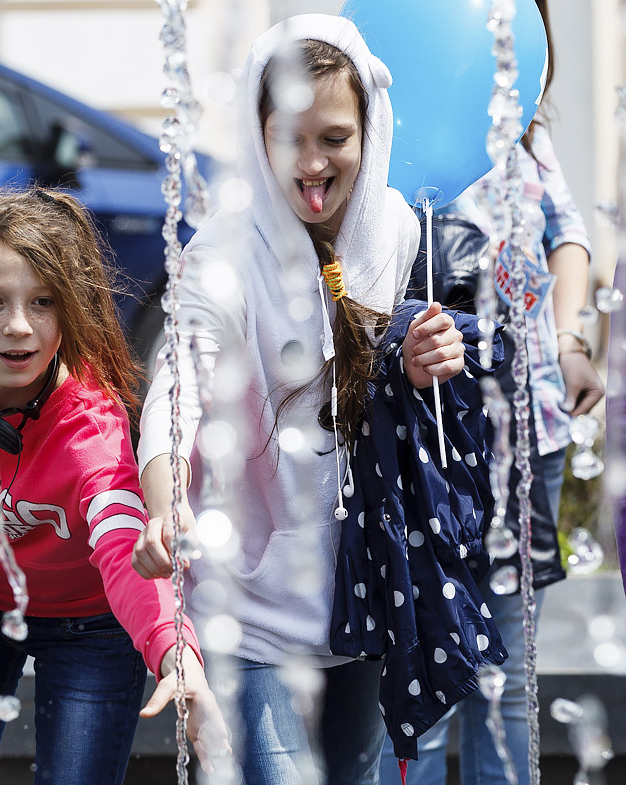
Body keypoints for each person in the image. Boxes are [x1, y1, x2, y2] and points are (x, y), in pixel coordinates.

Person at [131, 14, 466, 785]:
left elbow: (387, 383)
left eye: (335, 138)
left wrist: (423, 359)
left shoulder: (399, 233)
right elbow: (175, 384)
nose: (312, 163)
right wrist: (162, 501)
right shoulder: (221, 253)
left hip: (366, 593)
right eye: (290, 139)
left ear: (370, 130)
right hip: (254, 609)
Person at [0, 187, 229, 785]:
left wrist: (174, 653)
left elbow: (125, 543)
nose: (19, 327)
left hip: (94, 628)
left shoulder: (89, 429)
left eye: (45, 302)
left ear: (72, 309)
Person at [380, 2, 604, 784]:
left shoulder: (524, 132)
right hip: (428, 432)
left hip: (528, 424)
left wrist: (572, 341)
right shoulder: (385, 120)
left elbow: (567, 236)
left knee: (505, 670)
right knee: (424, 651)